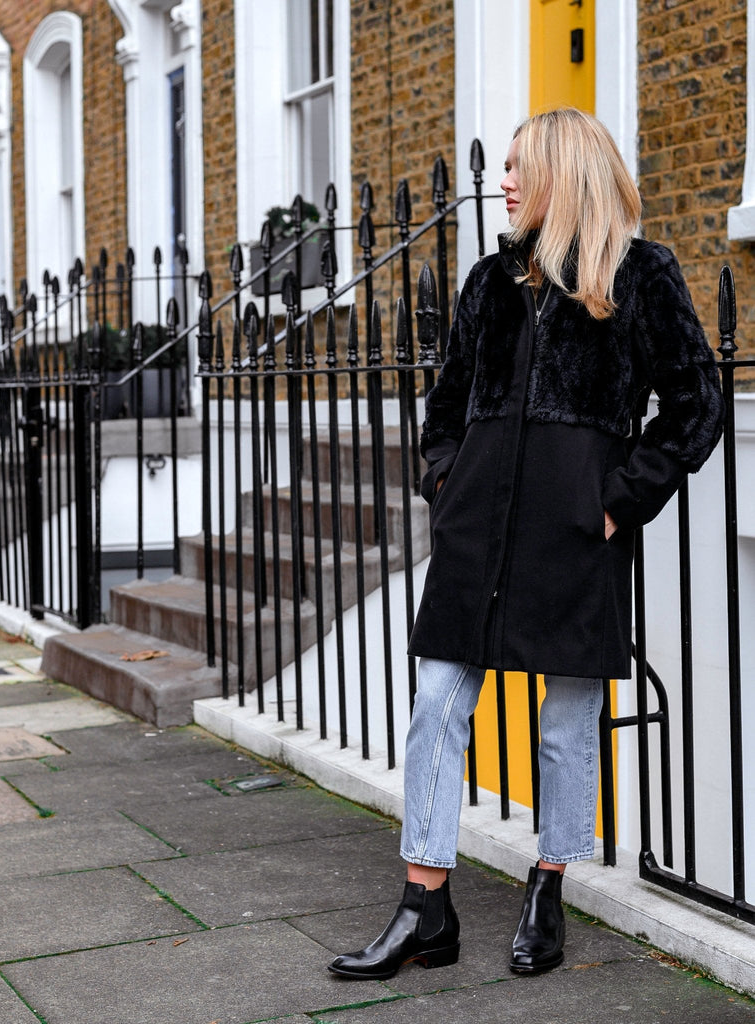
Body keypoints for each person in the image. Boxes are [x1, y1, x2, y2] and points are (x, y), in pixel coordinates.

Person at [328, 107, 725, 980]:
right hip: (478, 529)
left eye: (518, 165)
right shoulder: (489, 280)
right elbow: (445, 406)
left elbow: (697, 406)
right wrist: (445, 479)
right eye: (502, 165)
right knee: (438, 703)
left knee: (566, 718)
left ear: (562, 170)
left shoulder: (640, 273)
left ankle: (550, 881)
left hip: (576, 531)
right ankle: (423, 904)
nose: (503, 180)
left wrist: (617, 501)